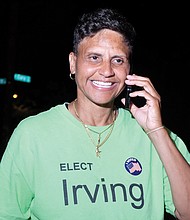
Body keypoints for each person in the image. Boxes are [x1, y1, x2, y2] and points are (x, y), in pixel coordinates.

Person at [0, 7, 190, 220]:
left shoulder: (156, 137)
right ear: (73, 63)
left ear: (129, 69)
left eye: (118, 60)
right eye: (94, 57)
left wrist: (156, 130)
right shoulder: (31, 134)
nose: (106, 70)